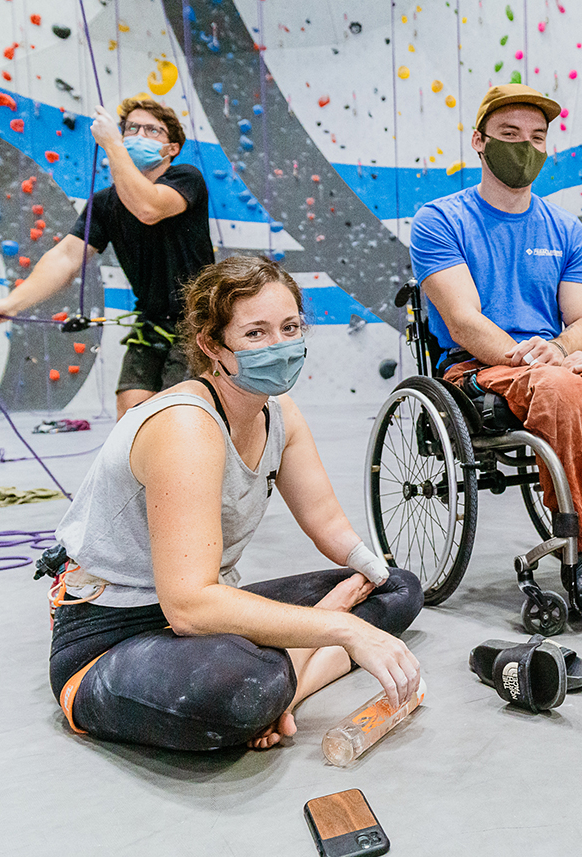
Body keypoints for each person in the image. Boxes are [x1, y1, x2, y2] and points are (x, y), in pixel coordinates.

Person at [46, 255, 423, 751]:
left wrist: (367, 570)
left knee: (397, 588)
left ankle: (284, 685)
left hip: (205, 617)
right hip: (113, 636)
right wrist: (341, 627)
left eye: (290, 327)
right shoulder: (186, 425)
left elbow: (327, 523)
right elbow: (188, 606)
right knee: (242, 690)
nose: (281, 345)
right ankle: (286, 680)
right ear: (211, 344)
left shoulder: (279, 413)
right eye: (256, 333)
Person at [407, 84, 582, 611]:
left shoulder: (565, 228)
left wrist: (560, 347)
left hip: (554, 359)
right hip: (476, 366)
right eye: (509, 135)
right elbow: (462, 321)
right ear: (479, 142)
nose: (525, 147)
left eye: (537, 137)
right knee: (559, 389)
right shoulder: (439, 221)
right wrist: (531, 357)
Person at [0, 98, 215, 420]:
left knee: (180, 412)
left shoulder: (186, 178)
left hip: (200, 319)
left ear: (171, 148)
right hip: (153, 319)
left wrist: (112, 143)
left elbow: (149, 208)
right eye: (131, 129)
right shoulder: (104, 204)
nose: (139, 134)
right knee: (131, 413)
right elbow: (65, 259)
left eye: (152, 130)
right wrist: (12, 304)